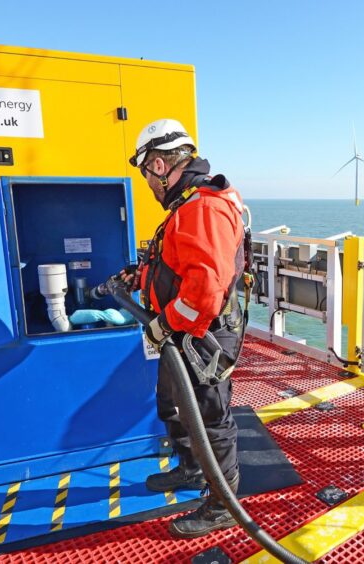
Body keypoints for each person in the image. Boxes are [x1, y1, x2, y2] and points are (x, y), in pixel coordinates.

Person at [124, 118, 247, 539]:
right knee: (175, 407)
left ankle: (223, 505)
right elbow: (174, 270)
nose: (149, 185)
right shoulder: (187, 206)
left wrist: (163, 325)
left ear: (159, 165)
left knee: (210, 420)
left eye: (147, 174)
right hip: (181, 333)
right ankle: (193, 469)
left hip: (201, 336)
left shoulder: (203, 208)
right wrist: (138, 279)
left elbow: (204, 292)